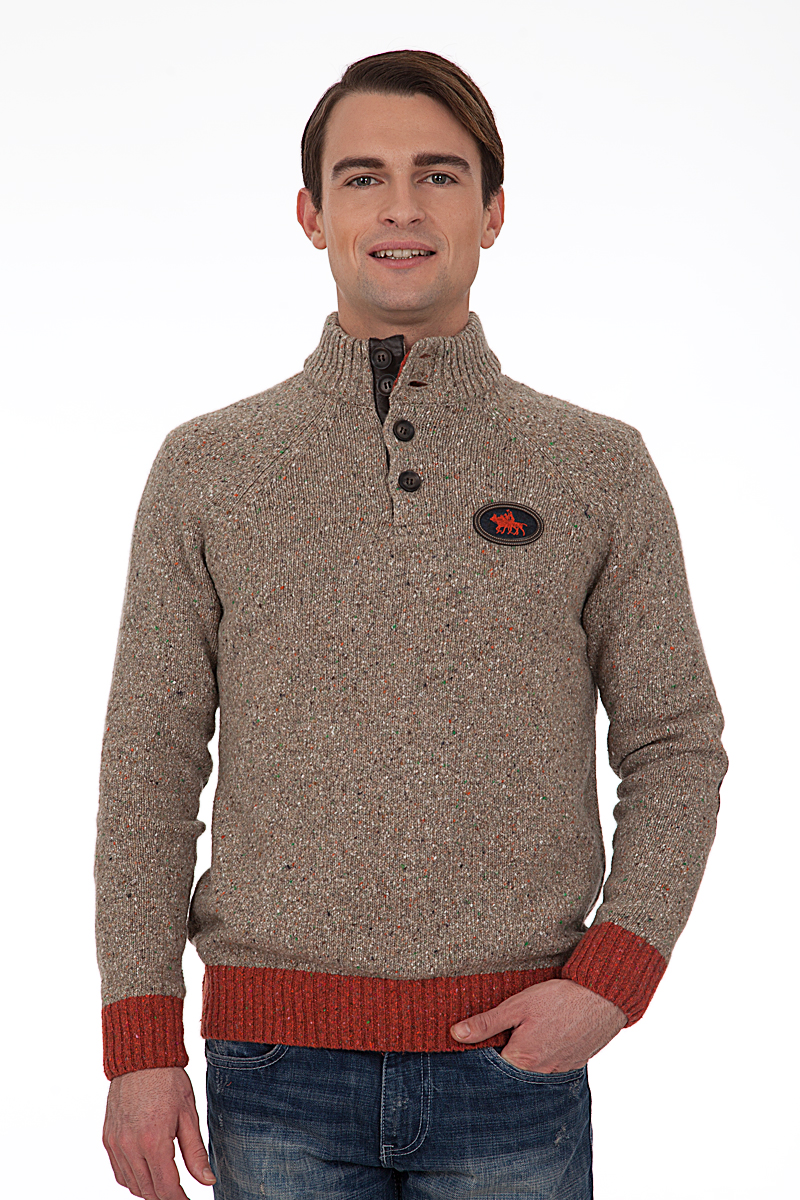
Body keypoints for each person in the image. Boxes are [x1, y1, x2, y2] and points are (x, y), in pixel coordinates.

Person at [96, 49, 728, 1200]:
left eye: (437, 175)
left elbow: (674, 742)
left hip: (514, 1062)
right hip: (273, 1069)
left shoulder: (596, 466)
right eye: (362, 177)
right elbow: (149, 762)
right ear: (310, 214)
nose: (399, 207)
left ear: (491, 212)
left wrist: (614, 976)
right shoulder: (209, 468)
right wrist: (140, 1041)